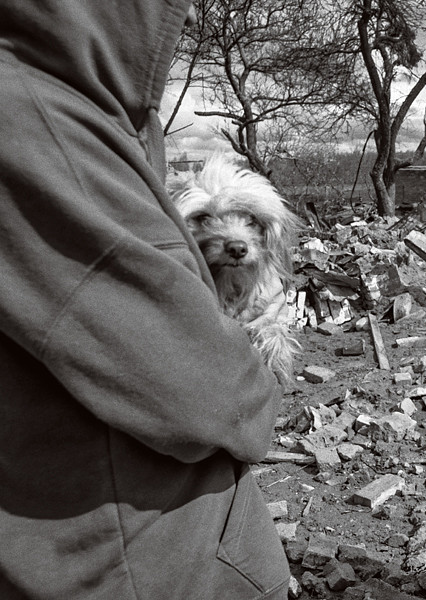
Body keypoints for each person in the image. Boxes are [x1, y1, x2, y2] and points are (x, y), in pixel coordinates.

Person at [0, 2, 290, 598]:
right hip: (142, 562)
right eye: (208, 221)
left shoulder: (86, 117)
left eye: (249, 225)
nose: (233, 239)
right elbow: (205, 393)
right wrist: (251, 378)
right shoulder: (39, 122)